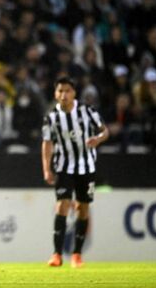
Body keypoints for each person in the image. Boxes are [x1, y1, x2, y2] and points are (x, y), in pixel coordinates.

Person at [41, 76, 109, 268]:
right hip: (63, 167)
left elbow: (105, 131)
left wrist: (98, 139)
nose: (63, 95)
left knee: (82, 208)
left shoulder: (87, 111)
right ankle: (57, 254)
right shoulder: (51, 117)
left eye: (67, 91)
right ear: (55, 94)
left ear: (74, 93)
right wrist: (47, 169)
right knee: (62, 205)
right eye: (60, 91)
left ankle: (77, 254)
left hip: (86, 167)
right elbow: (46, 144)